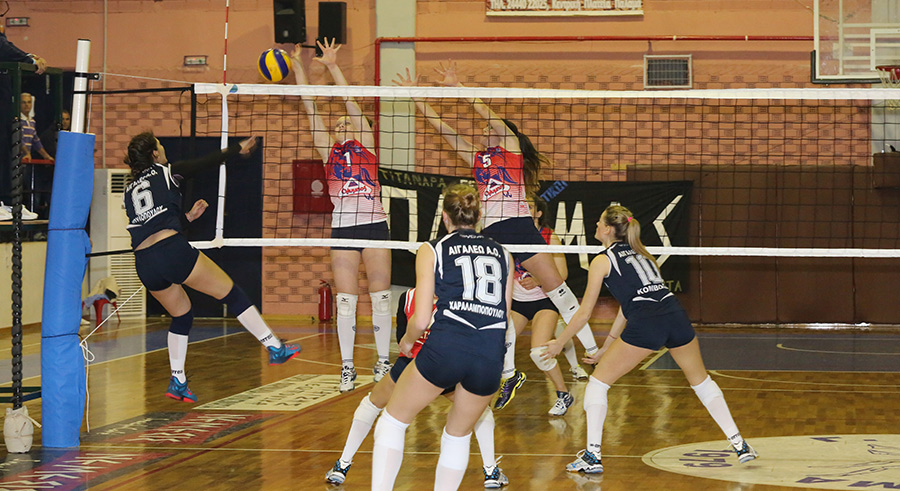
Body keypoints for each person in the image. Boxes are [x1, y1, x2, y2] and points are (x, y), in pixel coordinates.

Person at [394, 64, 599, 404]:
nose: (484, 130)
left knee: (557, 289)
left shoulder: (512, 150)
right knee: (498, 306)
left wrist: (459, 88)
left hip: (519, 226)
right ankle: (508, 371)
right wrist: (417, 97)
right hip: (492, 235)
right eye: (484, 129)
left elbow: (492, 117)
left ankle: (592, 349)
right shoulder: (478, 159)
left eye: (489, 128)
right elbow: (442, 129)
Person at [544, 204, 758, 474]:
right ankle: (740, 444)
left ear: (608, 229)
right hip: (675, 315)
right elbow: (626, 306)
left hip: (647, 321)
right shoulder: (643, 254)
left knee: (597, 384)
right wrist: (607, 346)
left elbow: (585, 312)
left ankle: (592, 456)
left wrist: (559, 342)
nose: (595, 225)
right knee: (702, 382)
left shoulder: (602, 260)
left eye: (599, 222)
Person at [122, 132, 301, 402]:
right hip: (171, 252)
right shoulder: (166, 171)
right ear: (154, 154)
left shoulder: (129, 189)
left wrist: (187, 217)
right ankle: (275, 347)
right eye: (161, 145)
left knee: (182, 315)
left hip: (145, 263)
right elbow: (204, 162)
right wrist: (236, 149)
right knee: (232, 294)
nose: (164, 148)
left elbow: (152, 224)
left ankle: (178, 380)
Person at [371, 184, 514, 491]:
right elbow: (505, 315)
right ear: (478, 216)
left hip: (449, 345)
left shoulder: (432, 248)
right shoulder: (504, 254)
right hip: (489, 354)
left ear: (445, 217)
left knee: (393, 422)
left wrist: (407, 341)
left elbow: (422, 318)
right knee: (457, 435)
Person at [325, 287, 509, 488]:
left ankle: (342, 465)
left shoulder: (409, 297)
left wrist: (413, 344)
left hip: (414, 363)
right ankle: (490, 471)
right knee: (478, 411)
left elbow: (402, 338)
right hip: (446, 362)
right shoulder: (463, 296)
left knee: (374, 405)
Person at [291, 39, 392, 392]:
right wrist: (298, 68)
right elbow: (310, 108)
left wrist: (333, 66)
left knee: (381, 297)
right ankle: (347, 366)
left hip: (375, 224)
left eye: (346, 122)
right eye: (337, 124)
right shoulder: (328, 151)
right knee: (346, 302)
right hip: (344, 229)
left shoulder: (367, 146)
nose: (341, 124)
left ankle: (383, 361)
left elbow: (350, 101)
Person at [502, 194, 584, 414]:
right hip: (518, 302)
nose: (524, 210)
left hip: (544, 302)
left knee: (539, 353)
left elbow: (562, 274)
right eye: (521, 207)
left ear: (538, 213)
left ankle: (563, 394)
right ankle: (500, 385)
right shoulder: (509, 235)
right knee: (498, 343)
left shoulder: (550, 237)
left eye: (529, 207)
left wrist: (538, 279)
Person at [19, 93, 53, 163]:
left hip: (26, 159)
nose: (27, 105)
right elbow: (19, 139)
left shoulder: (32, 121)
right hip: (17, 159)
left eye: (29, 102)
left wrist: (46, 156)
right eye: (24, 102)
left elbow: (35, 141)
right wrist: (27, 153)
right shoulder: (17, 121)